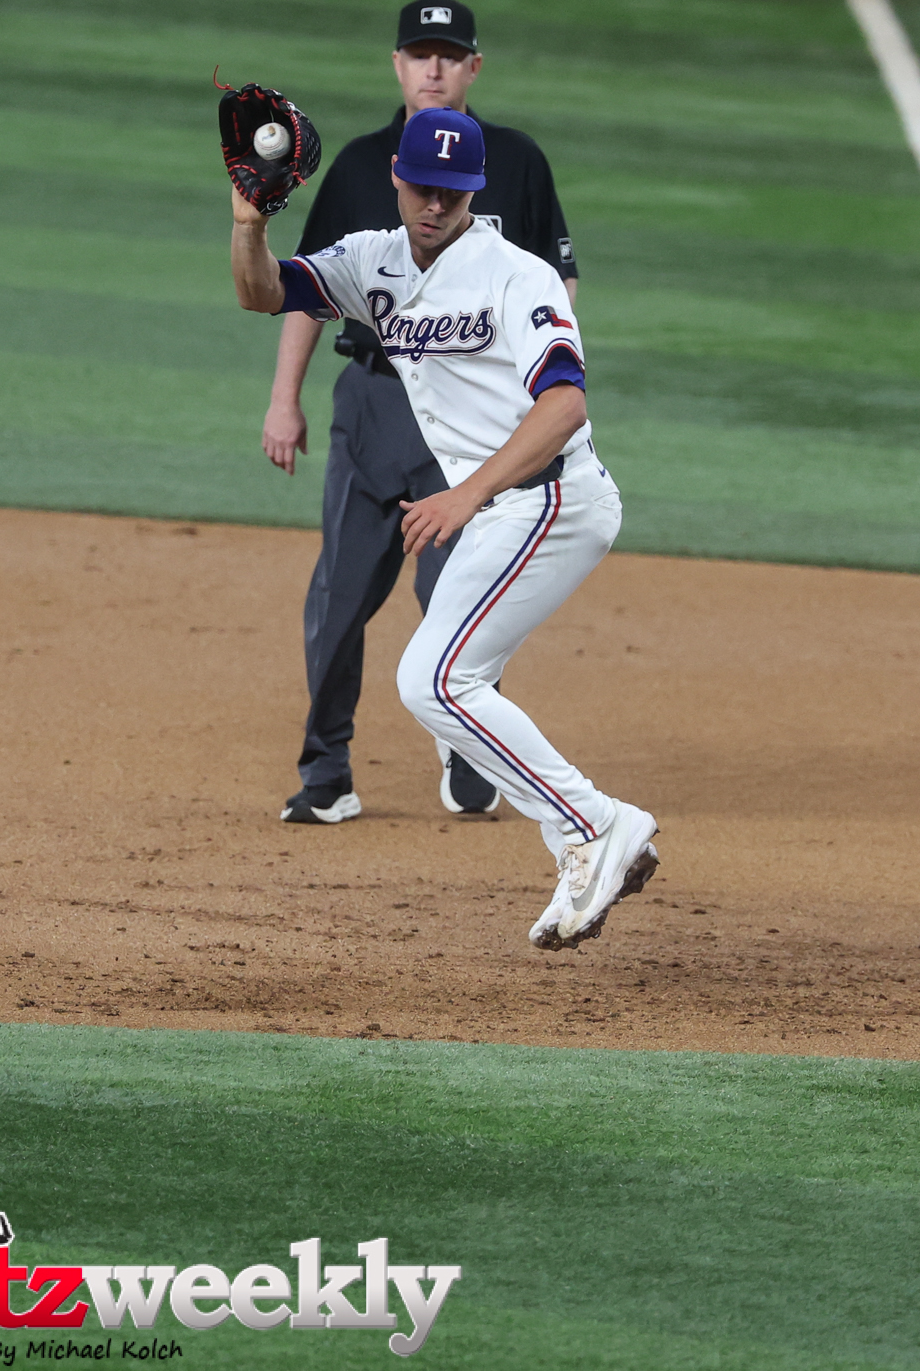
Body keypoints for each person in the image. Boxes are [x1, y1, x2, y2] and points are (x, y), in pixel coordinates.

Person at [230, 105, 660, 951]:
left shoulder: (517, 274)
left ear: (475, 191)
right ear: (398, 176)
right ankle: (585, 831)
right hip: (505, 509)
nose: (435, 204)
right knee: (448, 682)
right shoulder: (371, 260)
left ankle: (594, 824)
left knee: (434, 679)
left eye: (453, 192)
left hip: (552, 500)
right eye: (424, 186)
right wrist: (249, 223)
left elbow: (565, 405)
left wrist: (465, 495)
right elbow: (264, 292)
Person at [267, 0, 578, 825]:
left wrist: (534, 383)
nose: (432, 68)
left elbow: (556, 283)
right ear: (397, 64)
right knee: (340, 595)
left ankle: (471, 747)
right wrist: (283, 398)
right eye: (418, 53)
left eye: (448, 54)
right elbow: (304, 290)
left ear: (474, 67)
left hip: (469, 415)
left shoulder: (516, 160)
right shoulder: (362, 166)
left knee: (463, 593)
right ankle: (326, 773)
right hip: (373, 403)